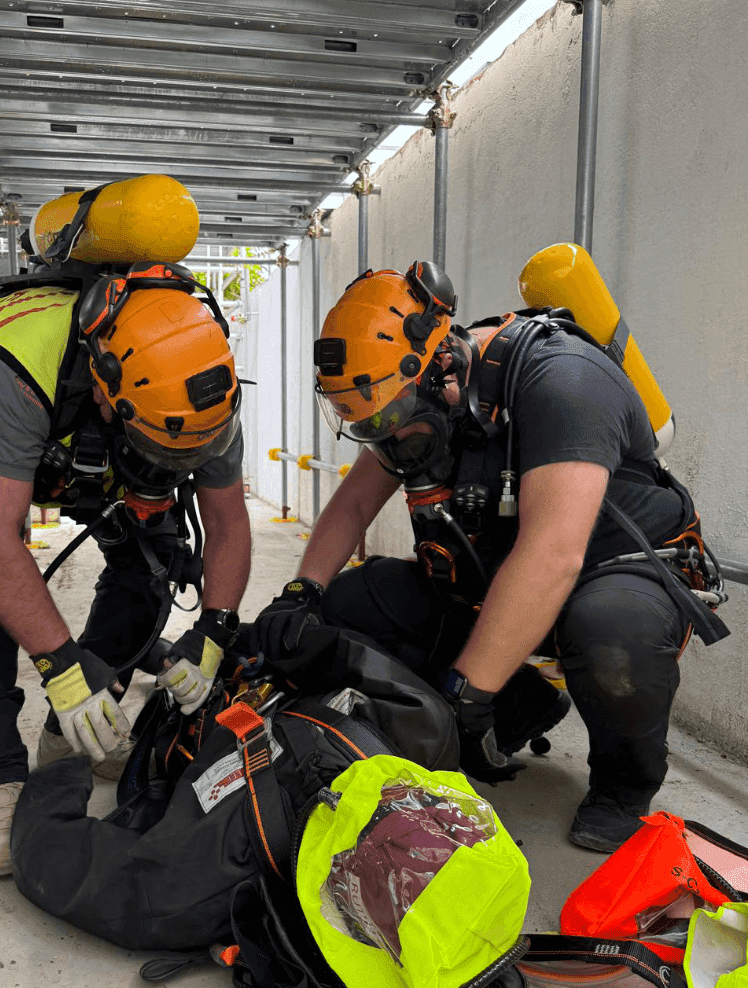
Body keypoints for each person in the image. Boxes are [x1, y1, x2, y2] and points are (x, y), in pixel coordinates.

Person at [252, 262, 727, 854]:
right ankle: (522, 700)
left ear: (440, 368)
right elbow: (352, 506)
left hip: (612, 571)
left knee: (612, 628)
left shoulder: (563, 380)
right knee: (350, 602)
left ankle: (622, 788)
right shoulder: (412, 396)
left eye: (392, 421)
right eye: (372, 426)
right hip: (506, 577)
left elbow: (553, 555)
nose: (388, 439)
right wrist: (302, 593)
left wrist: (465, 696)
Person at [0, 259, 251, 877]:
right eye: (163, 450)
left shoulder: (203, 383)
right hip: (6, 435)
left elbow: (228, 523)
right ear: (105, 390)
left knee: (152, 563)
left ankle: (71, 735)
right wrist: (61, 667)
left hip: (114, 442)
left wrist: (214, 631)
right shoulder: (15, 361)